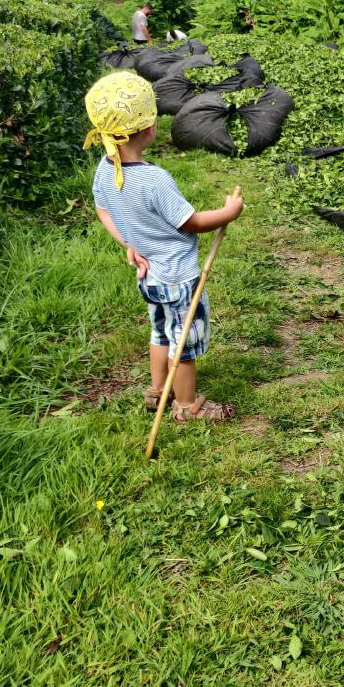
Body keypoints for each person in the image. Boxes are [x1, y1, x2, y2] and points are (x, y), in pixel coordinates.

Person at [83, 71, 244, 423]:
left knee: (160, 331)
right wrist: (229, 212)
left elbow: (103, 209)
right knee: (182, 344)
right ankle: (187, 405)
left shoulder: (104, 168)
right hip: (178, 277)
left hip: (150, 276)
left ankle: (158, 391)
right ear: (147, 129)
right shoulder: (155, 180)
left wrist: (129, 242)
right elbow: (191, 222)